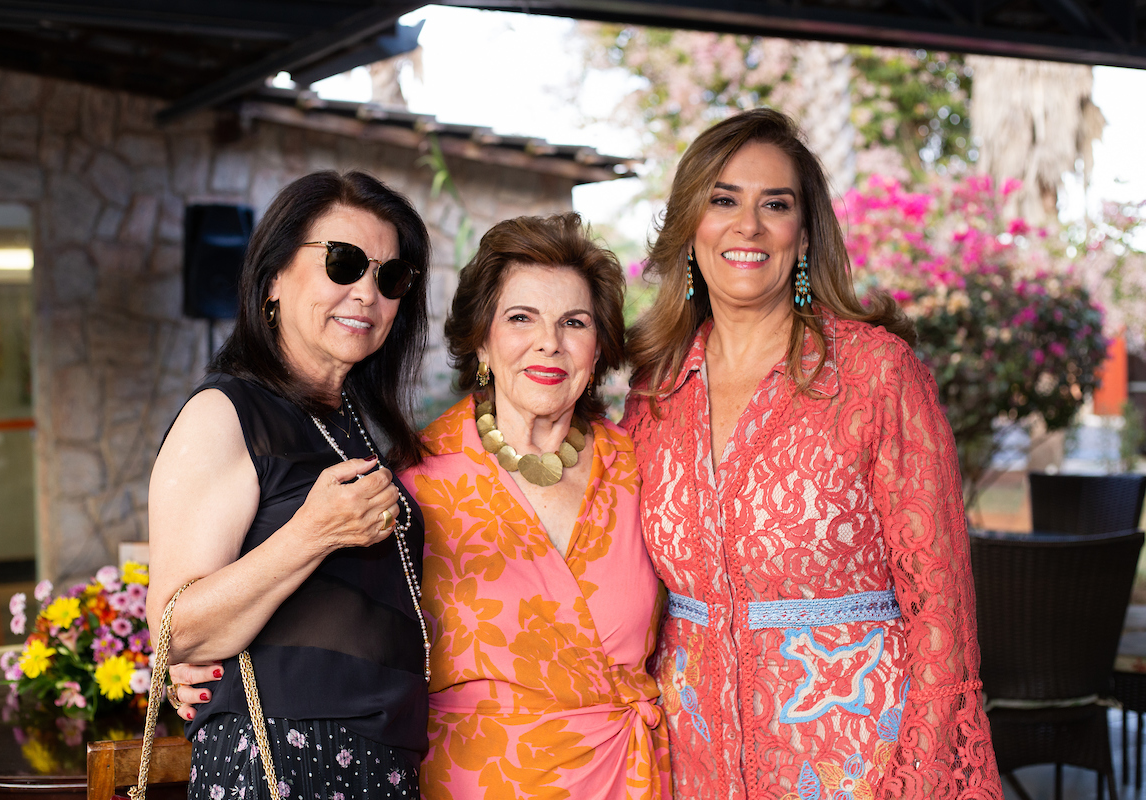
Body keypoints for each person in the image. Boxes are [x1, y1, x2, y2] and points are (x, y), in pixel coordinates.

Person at [622, 107, 1001, 799]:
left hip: (860, 761)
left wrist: (917, 780)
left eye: (776, 204)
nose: (748, 226)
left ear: (803, 236)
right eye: (723, 201)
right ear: (689, 230)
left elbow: (942, 613)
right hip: (693, 763)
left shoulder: (876, 373)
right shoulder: (653, 390)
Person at [147, 170, 432, 800]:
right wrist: (313, 533)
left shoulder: (358, 424)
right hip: (280, 765)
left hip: (380, 763)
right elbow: (174, 632)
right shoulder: (225, 412)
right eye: (344, 263)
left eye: (390, 278)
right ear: (273, 276)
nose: (367, 293)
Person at [398, 213, 669, 799]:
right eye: (522, 318)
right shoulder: (415, 480)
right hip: (473, 783)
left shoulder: (640, 466)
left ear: (597, 350)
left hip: (625, 779)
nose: (550, 341)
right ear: (481, 341)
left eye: (575, 322)